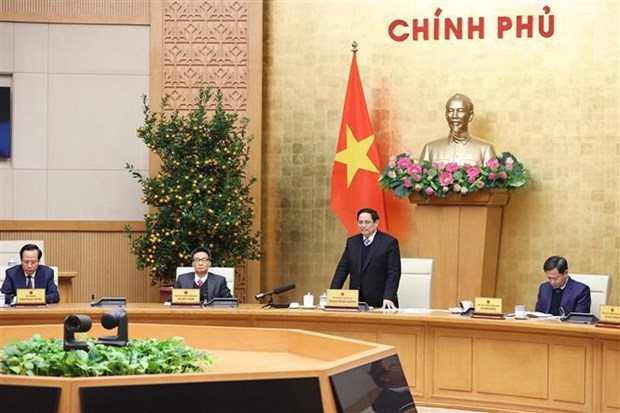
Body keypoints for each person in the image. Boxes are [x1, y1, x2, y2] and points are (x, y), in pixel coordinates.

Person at [330, 208, 401, 309]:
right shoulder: (352, 242)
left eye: (367, 222)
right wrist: (333, 295)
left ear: (376, 223)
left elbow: (394, 273)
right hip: (356, 301)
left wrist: (388, 297)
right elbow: (342, 269)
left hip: (381, 301)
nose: (363, 226)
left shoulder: (389, 243)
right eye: (360, 222)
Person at [419, 93, 497, 166]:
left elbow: (492, 178)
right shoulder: (430, 148)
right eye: (450, 111)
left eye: (460, 111)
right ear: (446, 115)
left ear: (470, 116)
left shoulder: (485, 149)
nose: (454, 116)